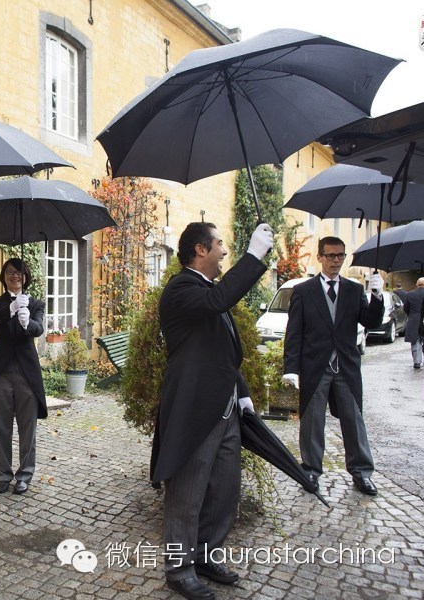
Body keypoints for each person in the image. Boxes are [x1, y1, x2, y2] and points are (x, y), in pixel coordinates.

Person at [153, 222, 273, 600]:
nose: (224, 251)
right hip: (194, 409)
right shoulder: (181, 290)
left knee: (224, 490)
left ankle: (205, 555)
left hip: (225, 408)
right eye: (220, 244)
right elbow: (219, 301)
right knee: (186, 494)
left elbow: (223, 350)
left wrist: (242, 393)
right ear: (200, 250)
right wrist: (254, 257)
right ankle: (178, 569)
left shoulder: (208, 289)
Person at [283, 236, 384, 496]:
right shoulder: (304, 291)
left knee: (354, 421)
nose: (335, 261)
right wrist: (291, 368)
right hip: (315, 366)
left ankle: (362, 473)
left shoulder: (353, 290)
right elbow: (294, 332)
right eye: (330, 256)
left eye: (340, 256)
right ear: (320, 257)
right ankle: (311, 470)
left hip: (346, 368)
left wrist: (377, 295)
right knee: (312, 422)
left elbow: (371, 321)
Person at [0, 258, 46, 495]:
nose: (14, 276)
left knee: (28, 427)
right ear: (3, 276)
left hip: (27, 373)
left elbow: (39, 329)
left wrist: (27, 321)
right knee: (1, 427)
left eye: (18, 272)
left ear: (26, 277)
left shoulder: (36, 303)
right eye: (9, 272)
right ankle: (4, 475)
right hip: (1, 372)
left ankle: (25, 475)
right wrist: (13, 308)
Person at [402, 277, 424, 369]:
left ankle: (417, 361)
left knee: (416, 341)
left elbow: (405, 308)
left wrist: (412, 315)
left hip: (414, 320)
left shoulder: (410, 294)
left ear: (417, 284)